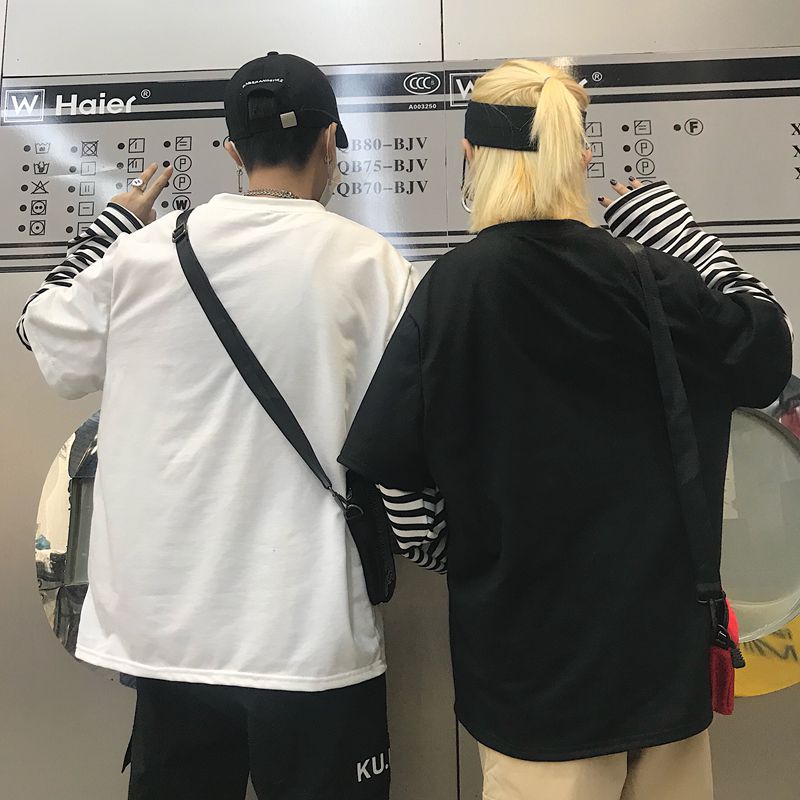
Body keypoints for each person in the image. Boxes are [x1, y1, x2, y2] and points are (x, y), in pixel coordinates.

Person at [339, 59, 793, 800]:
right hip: (662, 668)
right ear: (579, 157)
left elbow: (399, 486)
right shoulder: (653, 281)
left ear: (470, 156)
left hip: (529, 680)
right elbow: (767, 350)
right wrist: (674, 234)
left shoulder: (454, 291)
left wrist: (474, 556)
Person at [18, 53, 414, 800]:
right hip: (311, 634)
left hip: (169, 639)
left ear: (233, 151)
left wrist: (115, 225)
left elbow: (41, 334)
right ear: (330, 140)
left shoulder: (141, 256)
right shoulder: (373, 265)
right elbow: (411, 436)